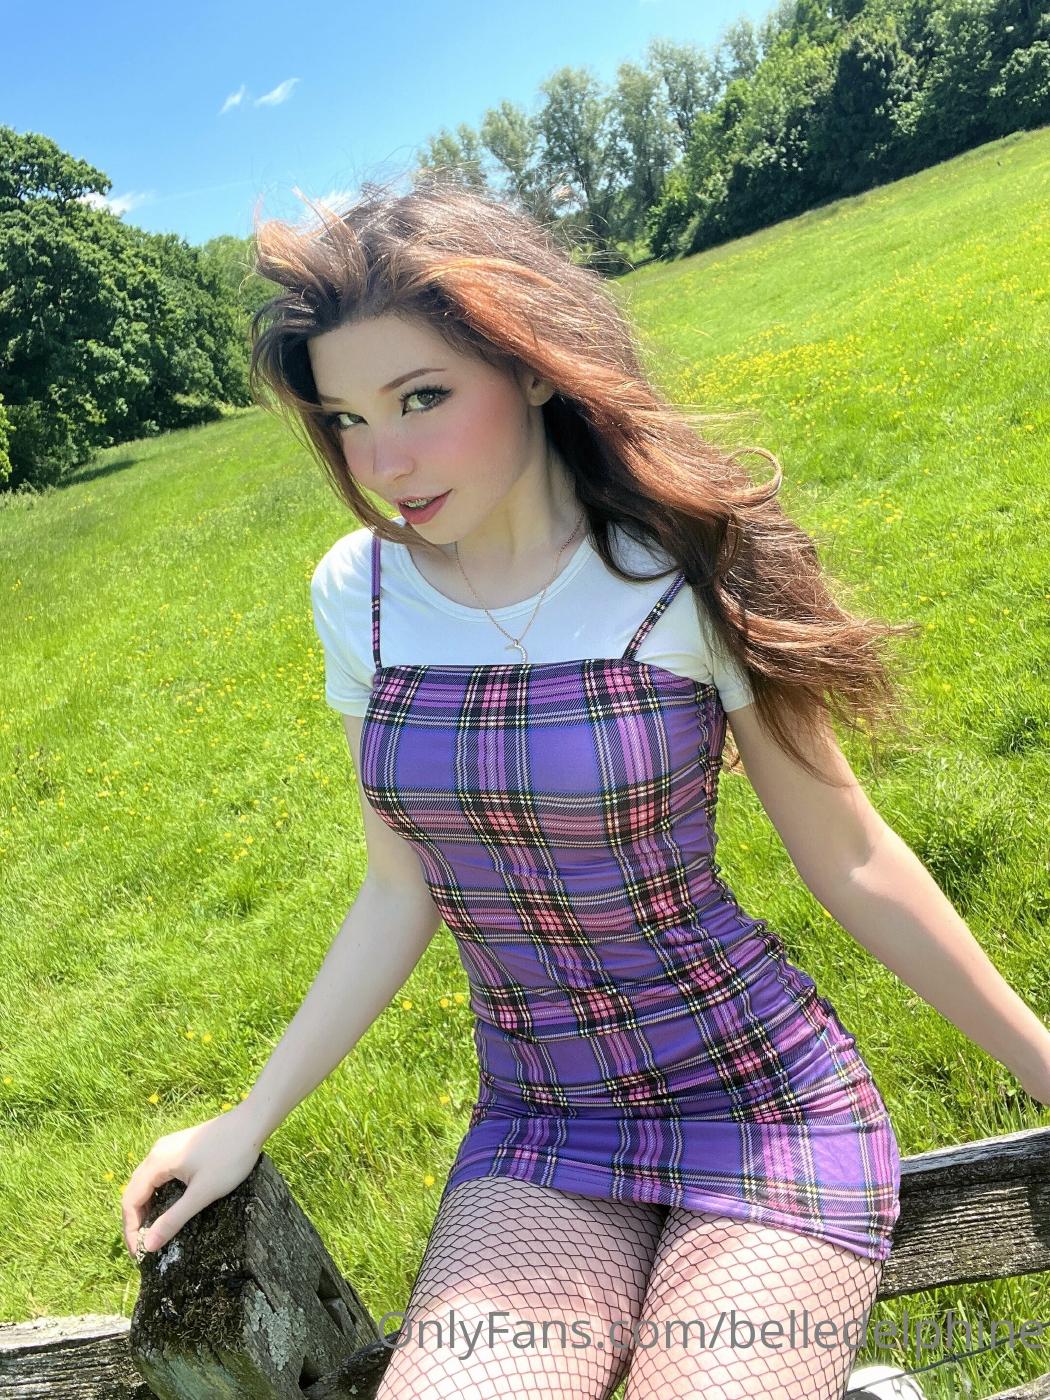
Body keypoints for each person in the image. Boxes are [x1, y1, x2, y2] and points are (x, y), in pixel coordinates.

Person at [121, 177, 1050, 1400]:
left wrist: (1044, 1062)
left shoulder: (682, 566)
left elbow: (853, 855)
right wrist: (250, 1114)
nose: (384, 461)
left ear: (533, 367)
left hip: (762, 1099)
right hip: (543, 1121)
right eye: (347, 418)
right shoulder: (360, 594)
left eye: (423, 397)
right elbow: (400, 887)